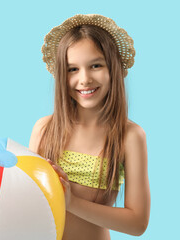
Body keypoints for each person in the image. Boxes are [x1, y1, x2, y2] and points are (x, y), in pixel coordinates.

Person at [29, 14, 150, 239]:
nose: (84, 79)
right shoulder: (45, 129)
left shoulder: (129, 136)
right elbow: (27, 198)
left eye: (95, 65)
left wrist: (71, 202)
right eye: (72, 69)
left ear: (113, 68)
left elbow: (137, 223)